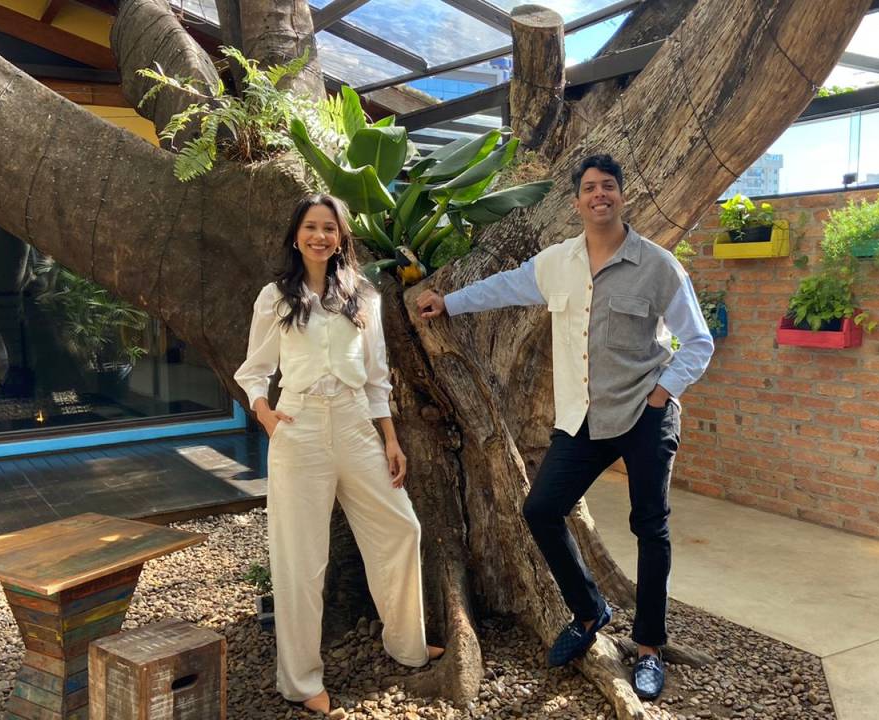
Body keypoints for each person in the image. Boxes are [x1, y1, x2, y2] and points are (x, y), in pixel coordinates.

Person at [416, 154, 714, 700]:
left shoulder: (658, 265)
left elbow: (697, 341)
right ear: (577, 201)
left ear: (622, 197)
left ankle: (649, 647)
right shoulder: (557, 262)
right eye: (589, 188)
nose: (599, 195)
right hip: (581, 416)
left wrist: (661, 393)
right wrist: (448, 303)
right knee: (541, 509)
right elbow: (504, 286)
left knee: (651, 527)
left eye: (608, 187)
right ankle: (589, 609)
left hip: (645, 415)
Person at [235, 194, 443, 715]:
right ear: (296, 234)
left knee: (402, 528)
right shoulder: (275, 298)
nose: (320, 236)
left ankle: (406, 644)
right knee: (301, 560)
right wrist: (264, 414)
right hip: (299, 426)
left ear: (341, 238)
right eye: (311, 227)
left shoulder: (364, 296)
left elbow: (376, 379)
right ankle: (302, 682)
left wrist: (390, 439)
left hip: (354, 423)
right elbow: (253, 371)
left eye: (329, 228)